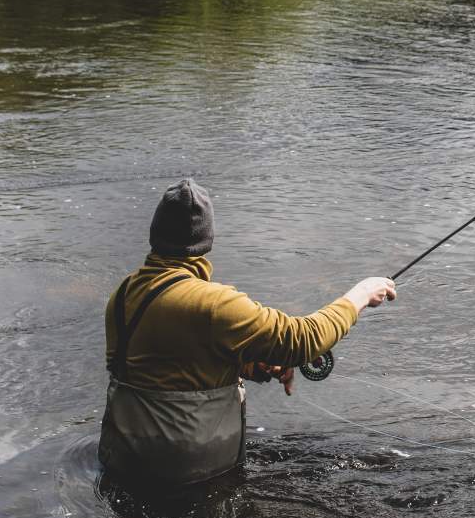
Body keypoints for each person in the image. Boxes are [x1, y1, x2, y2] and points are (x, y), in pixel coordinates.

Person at [99, 178, 397, 488]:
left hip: (123, 462)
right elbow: (303, 339)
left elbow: (162, 367)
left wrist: (249, 365)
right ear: (207, 240)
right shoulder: (213, 302)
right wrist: (360, 295)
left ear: (155, 235)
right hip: (191, 474)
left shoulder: (124, 292)